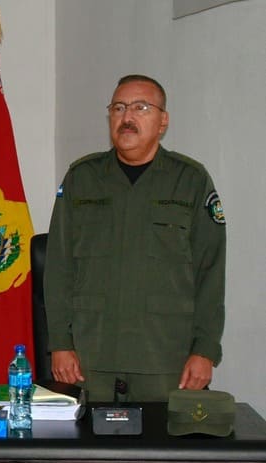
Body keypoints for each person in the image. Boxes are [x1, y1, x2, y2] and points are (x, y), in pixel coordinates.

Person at [44, 74, 226, 402]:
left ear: (163, 121)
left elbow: (210, 272)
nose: (127, 117)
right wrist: (60, 343)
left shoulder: (190, 181)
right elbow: (58, 268)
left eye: (140, 108)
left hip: (164, 356)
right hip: (91, 355)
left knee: (163, 436)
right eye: (118, 108)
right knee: (87, 436)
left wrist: (205, 350)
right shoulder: (82, 178)